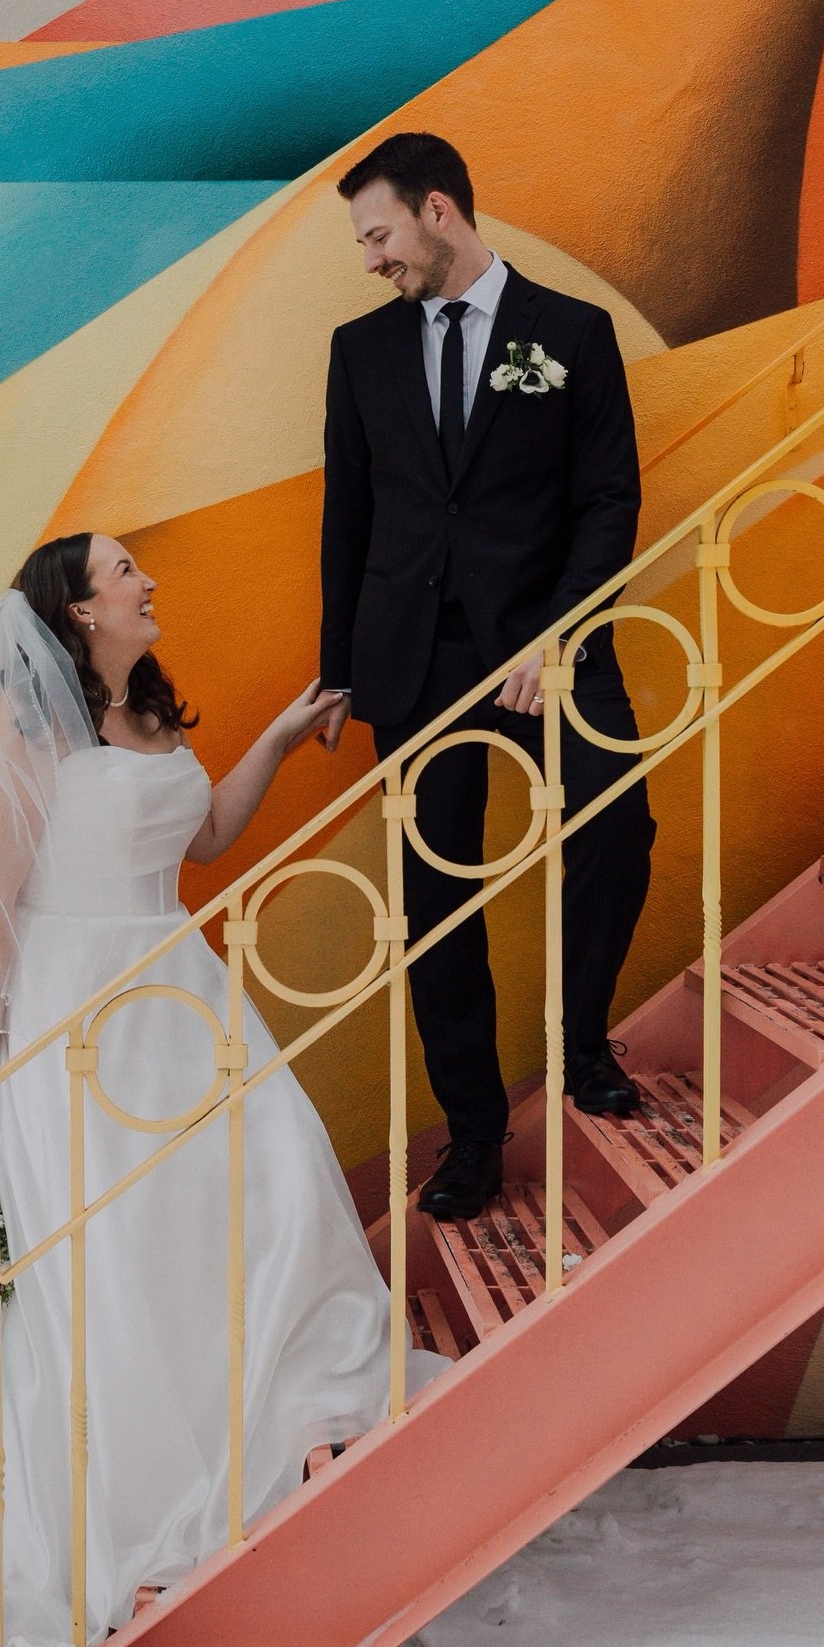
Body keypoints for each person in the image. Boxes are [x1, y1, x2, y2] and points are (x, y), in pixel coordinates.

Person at [0, 532, 445, 1647]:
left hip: (182, 988)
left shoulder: (154, 710)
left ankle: (295, 1421)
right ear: (78, 610)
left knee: (269, 1181)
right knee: (123, 1246)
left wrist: (278, 735)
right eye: (125, 571)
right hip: (78, 1004)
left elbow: (206, 835)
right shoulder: (23, 729)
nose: (148, 581)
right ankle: (151, 1502)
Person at [317, 132, 656, 1220]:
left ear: (440, 211)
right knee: (435, 902)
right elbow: (348, 516)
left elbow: (609, 500)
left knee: (617, 826)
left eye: (379, 234)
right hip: (413, 662)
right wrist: (340, 670)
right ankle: (472, 1136)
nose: (372, 259)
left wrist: (557, 637)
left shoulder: (573, 333)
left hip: (551, 648)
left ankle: (581, 1044)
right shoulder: (360, 350)